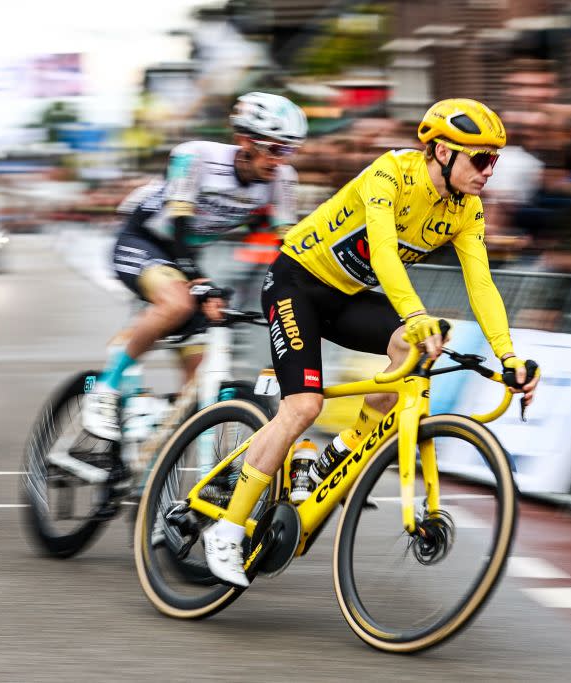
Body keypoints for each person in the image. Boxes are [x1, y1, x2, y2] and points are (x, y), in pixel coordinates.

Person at [202, 98, 540, 587]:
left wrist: (509, 357)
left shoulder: (467, 211)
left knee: (412, 347)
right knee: (301, 408)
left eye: (495, 160)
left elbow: (481, 284)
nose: (489, 171)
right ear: (442, 151)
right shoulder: (392, 173)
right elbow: (382, 251)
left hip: (346, 298)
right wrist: (417, 312)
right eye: (481, 158)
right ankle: (227, 529)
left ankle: (338, 453)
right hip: (297, 282)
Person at [81, 92, 307, 442]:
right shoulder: (196, 157)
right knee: (178, 302)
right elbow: (179, 225)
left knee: (197, 388)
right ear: (245, 140)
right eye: (274, 149)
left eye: (288, 150)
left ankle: (155, 469)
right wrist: (199, 279)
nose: (280, 161)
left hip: (186, 257)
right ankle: (105, 391)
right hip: (146, 240)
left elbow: (286, 245)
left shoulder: (282, 180)